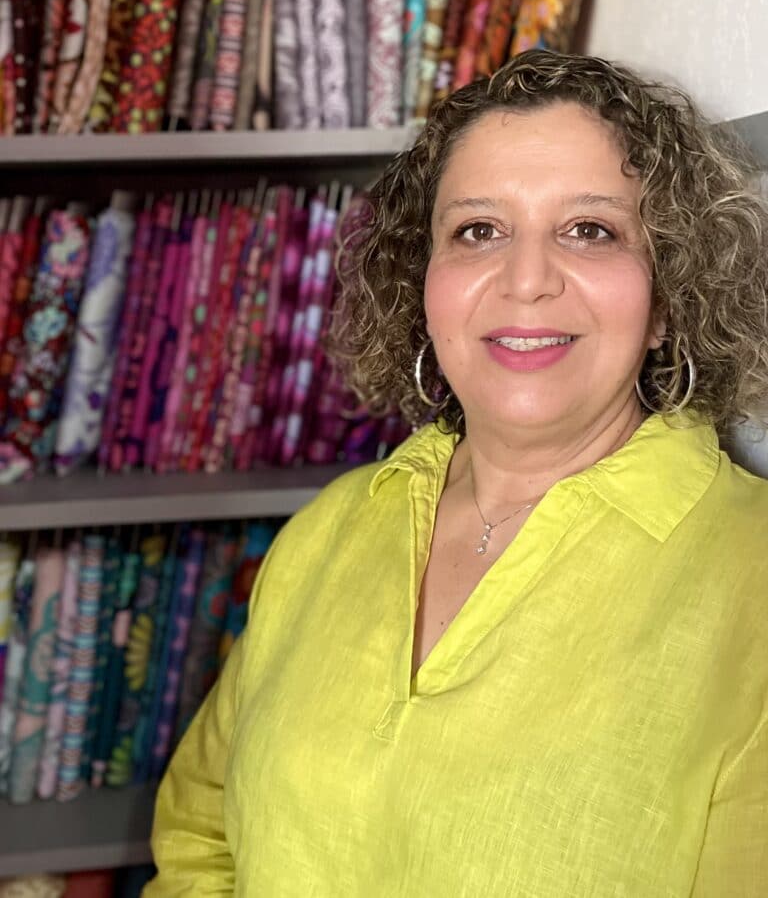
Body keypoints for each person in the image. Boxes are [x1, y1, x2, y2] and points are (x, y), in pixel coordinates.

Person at [146, 51, 768, 897]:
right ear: (423, 282)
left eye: (590, 230)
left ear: (666, 297)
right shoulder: (329, 529)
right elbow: (197, 833)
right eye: (479, 229)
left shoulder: (751, 575)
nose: (527, 279)